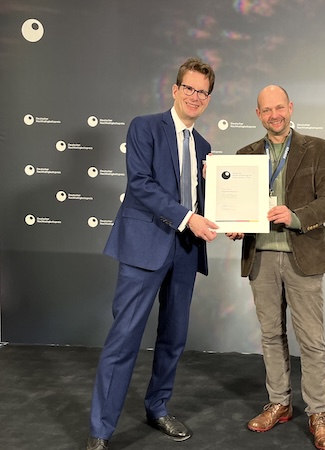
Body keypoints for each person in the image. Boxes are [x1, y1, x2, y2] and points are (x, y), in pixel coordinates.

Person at [86, 57, 219, 450]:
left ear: (208, 99)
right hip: (145, 246)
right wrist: (190, 218)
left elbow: (200, 203)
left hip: (186, 251)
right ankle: (100, 431)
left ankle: (157, 408)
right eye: (189, 88)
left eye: (203, 92)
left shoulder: (205, 147)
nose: (195, 96)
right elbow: (141, 185)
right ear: (175, 90)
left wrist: (222, 213)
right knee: (124, 337)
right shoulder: (144, 127)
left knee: (173, 337)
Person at [226, 85, 325, 450]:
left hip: (302, 254)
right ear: (258, 114)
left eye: (279, 108)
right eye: (267, 110)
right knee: (271, 335)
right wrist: (234, 223)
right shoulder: (245, 156)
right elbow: (236, 205)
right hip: (260, 256)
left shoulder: (318, 149)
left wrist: (294, 216)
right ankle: (279, 403)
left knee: (311, 339)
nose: (274, 115)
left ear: (290, 108)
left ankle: (318, 413)